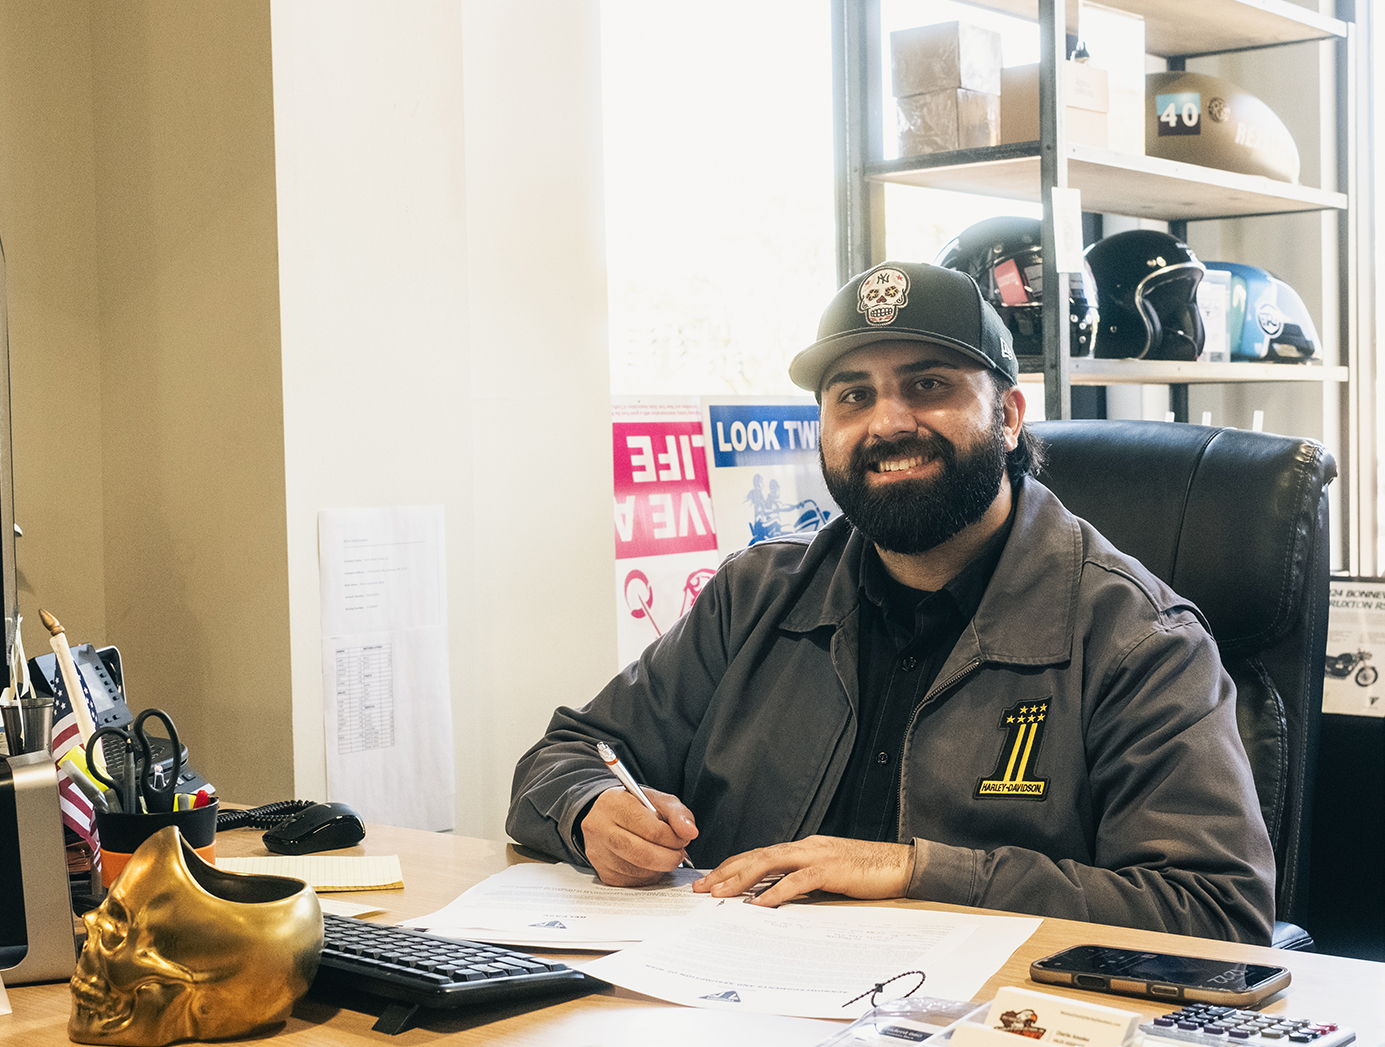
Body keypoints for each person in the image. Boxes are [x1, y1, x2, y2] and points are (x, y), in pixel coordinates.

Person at [507, 262, 1276, 944]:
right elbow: (565, 754)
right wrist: (590, 808)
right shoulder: (753, 598)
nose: (886, 422)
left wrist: (917, 870)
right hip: (736, 1023)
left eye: (928, 385)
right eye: (853, 396)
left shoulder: (1140, 638)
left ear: (1008, 417)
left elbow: (1214, 910)